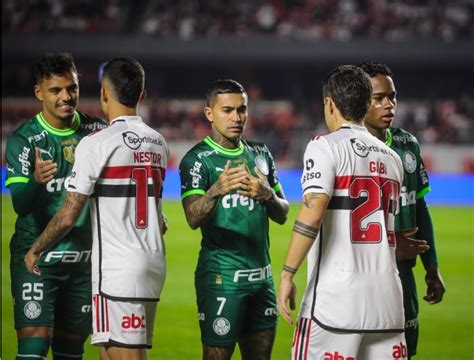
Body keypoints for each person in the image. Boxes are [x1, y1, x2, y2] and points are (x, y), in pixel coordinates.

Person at [24, 57, 169, 360]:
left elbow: (68, 214)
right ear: (141, 95)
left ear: (104, 93)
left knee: (127, 356)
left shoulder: (96, 143)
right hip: (152, 263)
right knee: (107, 352)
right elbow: (160, 219)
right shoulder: (158, 142)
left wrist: (36, 248)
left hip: (118, 272)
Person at [278, 65, 408, 359]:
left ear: (329, 103)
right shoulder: (392, 158)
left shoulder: (324, 147)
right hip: (388, 303)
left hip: (334, 305)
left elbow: (312, 213)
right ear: (365, 104)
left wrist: (288, 274)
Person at [4, 52, 106, 359]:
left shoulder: (98, 133)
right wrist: (36, 181)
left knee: (71, 347)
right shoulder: (25, 140)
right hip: (37, 261)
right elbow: (20, 207)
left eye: (71, 88)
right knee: (34, 343)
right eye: (56, 90)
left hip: (82, 262)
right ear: (39, 93)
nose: (66, 97)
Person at [179, 79, 289, 360]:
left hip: (262, 279)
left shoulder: (261, 154)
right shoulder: (197, 160)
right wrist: (216, 189)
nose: (236, 117)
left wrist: (268, 195)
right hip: (221, 279)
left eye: (242, 110)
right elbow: (192, 218)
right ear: (209, 113)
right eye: (227, 110)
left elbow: (283, 213)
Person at [359, 62, 446, 359]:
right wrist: (392, 248)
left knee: (405, 353)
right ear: (359, 99)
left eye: (392, 97)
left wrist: (431, 267)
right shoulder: (346, 150)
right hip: (362, 279)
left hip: (404, 276)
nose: (388, 105)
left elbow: (419, 206)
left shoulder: (407, 144)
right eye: (378, 98)